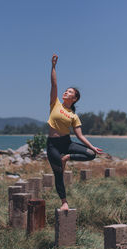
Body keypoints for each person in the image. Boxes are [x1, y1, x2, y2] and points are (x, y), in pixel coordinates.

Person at [47, 53, 103, 210]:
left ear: (75, 98)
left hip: (67, 144)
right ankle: (64, 202)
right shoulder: (55, 104)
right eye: (66, 90)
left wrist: (93, 147)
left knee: (91, 154)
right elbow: (54, 85)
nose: (66, 92)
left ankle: (68, 158)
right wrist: (53, 66)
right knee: (58, 174)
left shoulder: (74, 116)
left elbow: (80, 135)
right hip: (52, 145)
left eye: (70, 92)